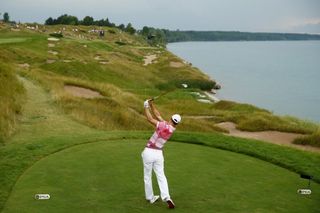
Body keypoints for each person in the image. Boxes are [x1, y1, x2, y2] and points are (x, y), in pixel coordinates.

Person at [141, 99, 181, 209]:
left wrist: (145, 106)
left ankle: (150, 197)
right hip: (159, 154)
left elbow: (150, 119)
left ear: (171, 119)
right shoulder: (171, 128)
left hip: (149, 152)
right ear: (176, 123)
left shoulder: (163, 125)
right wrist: (152, 104)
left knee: (147, 175)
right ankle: (166, 197)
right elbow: (158, 115)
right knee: (161, 176)